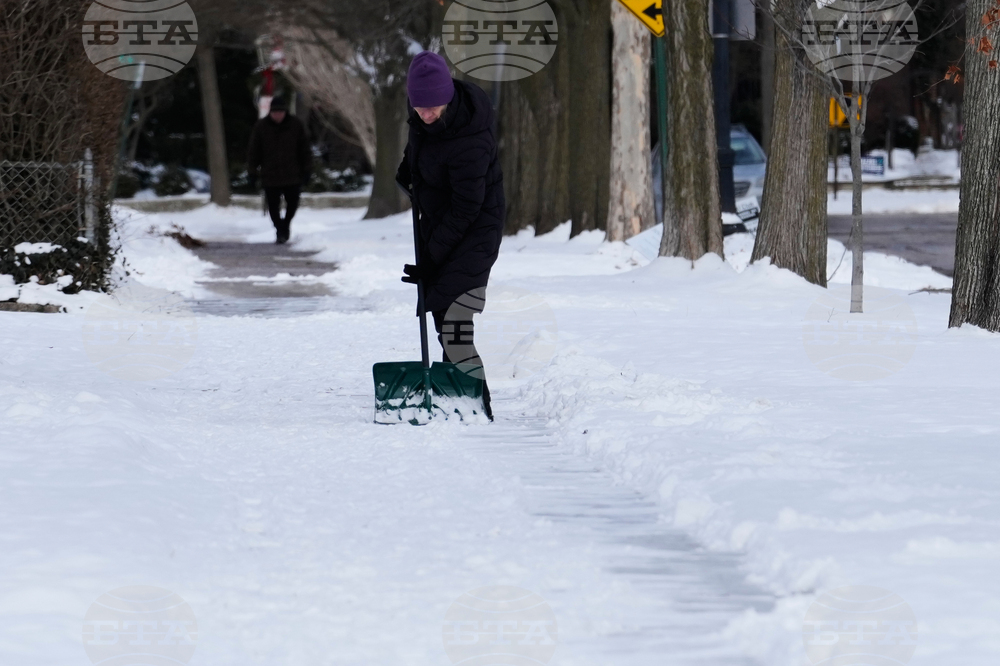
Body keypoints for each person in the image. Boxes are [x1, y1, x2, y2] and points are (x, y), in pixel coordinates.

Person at [395, 51, 505, 421]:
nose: (426, 114)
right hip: (443, 226)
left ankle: (478, 402)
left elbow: (466, 209)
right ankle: (454, 394)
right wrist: (406, 169)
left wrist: (431, 259)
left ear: (448, 96)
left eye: (433, 106)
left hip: (475, 231)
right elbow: (420, 146)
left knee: (455, 317)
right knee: (444, 314)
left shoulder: (471, 137)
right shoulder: (423, 119)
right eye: (419, 106)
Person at [247, 95, 311, 244]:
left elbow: (305, 150)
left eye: (280, 112)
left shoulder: (296, 125)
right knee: (273, 207)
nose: (278, 115)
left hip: (292, 173)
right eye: (275, 112)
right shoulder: (261, 127)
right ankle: (279, 229)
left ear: (285, 112)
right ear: (270, 112)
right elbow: (254, 151)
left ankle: (286, 224)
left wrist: (307, 170)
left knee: (293, 203)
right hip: (270, 174)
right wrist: (252, 171)